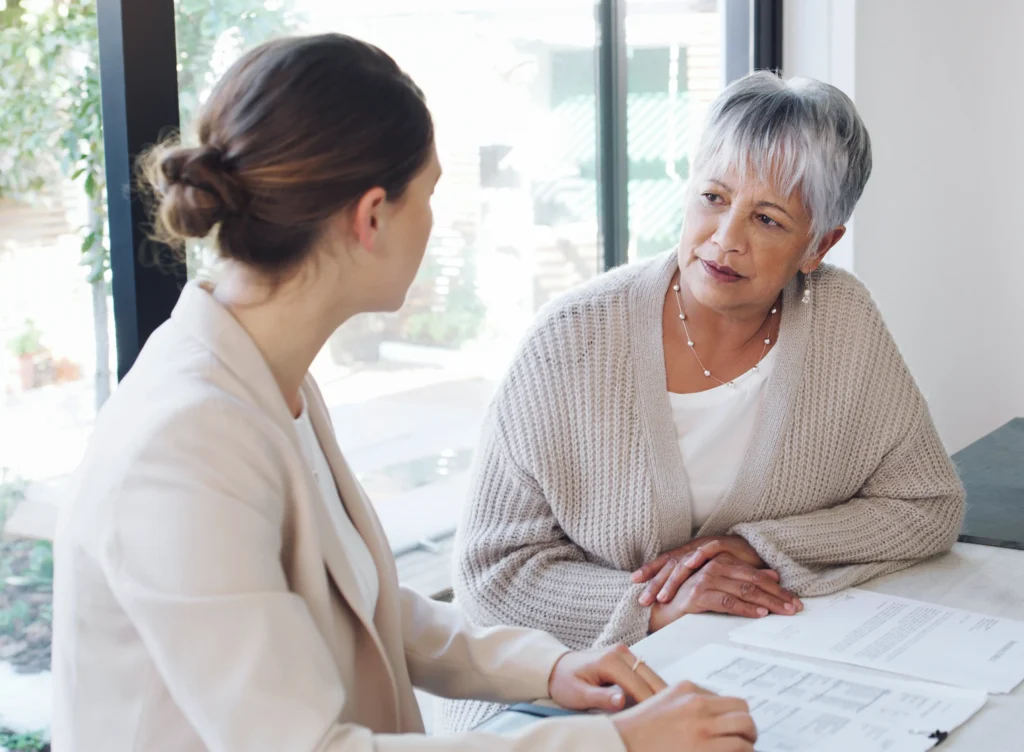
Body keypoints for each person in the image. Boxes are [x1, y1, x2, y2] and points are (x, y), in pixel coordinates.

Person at [50, 34, 759, 752]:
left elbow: (362, 602)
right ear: (372, 217)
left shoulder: (264, 376)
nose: (433, 220)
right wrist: (622, 742)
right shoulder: (183, 446)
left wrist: (551, 668)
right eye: (430, 193)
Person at [443, 71, 965, 732]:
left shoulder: (843, 321)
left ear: (819, 245)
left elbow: (927, 504)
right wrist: (658, 607)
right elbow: (490, 578)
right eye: (713, 197)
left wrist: (757, 546)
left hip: (755, 678)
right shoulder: (571, 339)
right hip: (556, 701)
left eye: (768, 218)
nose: (726, 237)